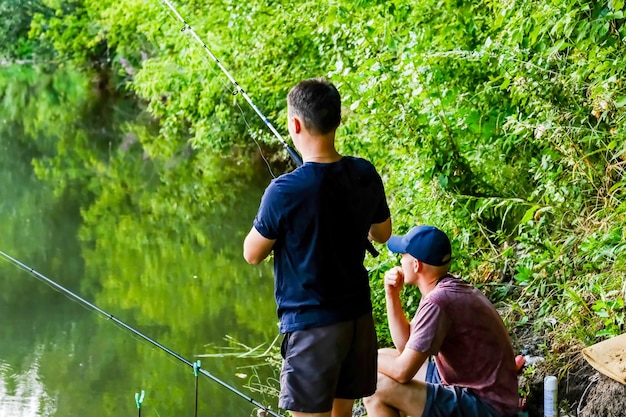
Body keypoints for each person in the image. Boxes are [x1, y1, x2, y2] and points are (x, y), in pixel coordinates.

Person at [243, 78, 392, 417]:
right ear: (336, 120)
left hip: (312, 328)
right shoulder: (363, 172)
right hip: (357, 319)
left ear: (294, 124)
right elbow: (382, 233)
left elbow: (252, 253)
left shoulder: (284, 191)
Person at [364, 225, 519, 417]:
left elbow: (403, 371)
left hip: (486, 406)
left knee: (376, 388)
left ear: (416, 265)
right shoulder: (442, 288)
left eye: (403, 255)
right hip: (485, 392)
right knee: (384, 355)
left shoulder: (438, 301)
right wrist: (392, 295)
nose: (400, 260)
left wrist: (360, 356)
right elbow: (406, 345)